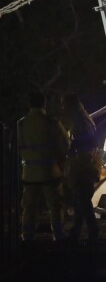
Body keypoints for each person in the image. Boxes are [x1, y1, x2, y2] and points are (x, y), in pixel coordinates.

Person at [18, 91, 70, 242]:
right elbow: (66, 143)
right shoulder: (52, 122)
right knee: (55, 206)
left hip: (29, 173)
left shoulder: (21, 124)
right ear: (44, 104)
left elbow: (15, 146)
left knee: (29, 207)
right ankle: (58, 235)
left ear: (29, 104)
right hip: (50, 171)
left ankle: (27, 235)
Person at [60, 92, 101, 244]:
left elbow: (89, 140)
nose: (62, 109)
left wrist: (72, 146)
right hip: (84, 165)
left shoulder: (81, 121)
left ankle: (92, 231)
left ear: (70, 106)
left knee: (82, 200)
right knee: (80, 201)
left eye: (64, 105)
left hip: (84, 166)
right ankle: (77, 231)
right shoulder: (81, 119)